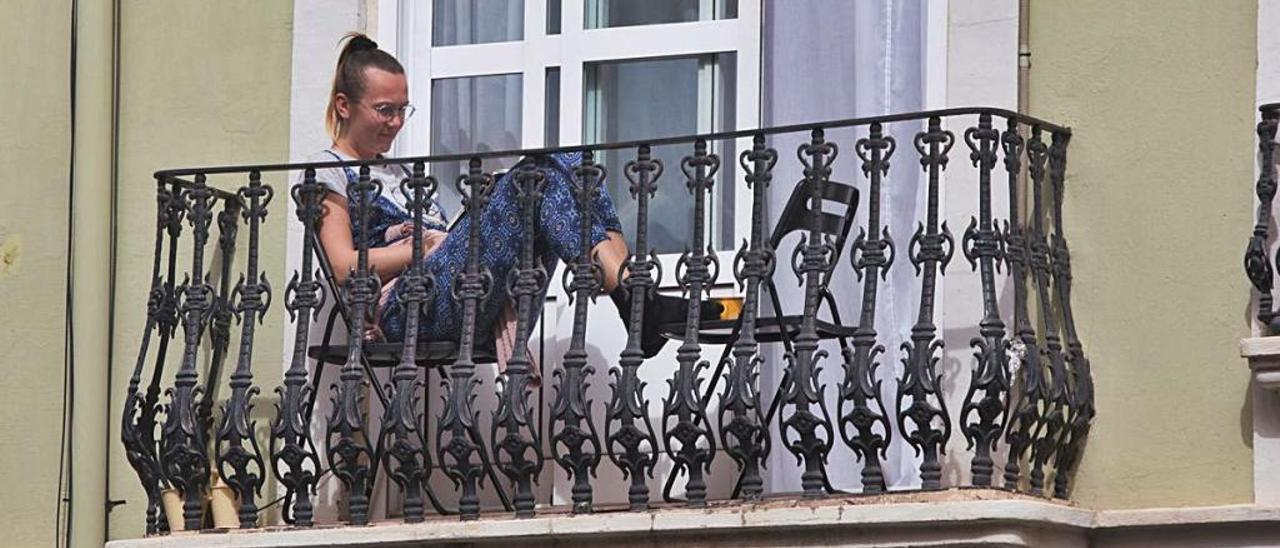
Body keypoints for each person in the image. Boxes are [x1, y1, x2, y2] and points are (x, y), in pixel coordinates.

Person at [306, 33, 720, 373]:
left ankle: (632, 293)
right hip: (403, 311)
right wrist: (419, 247)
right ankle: (634, 302)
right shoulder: (330, 171)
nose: (396, 123)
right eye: (384, 111)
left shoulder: (397, 172)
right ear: (344, 105)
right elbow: (343, 266)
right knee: (533, 175)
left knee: (573, 163)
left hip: (456, 292)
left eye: (402, 110)